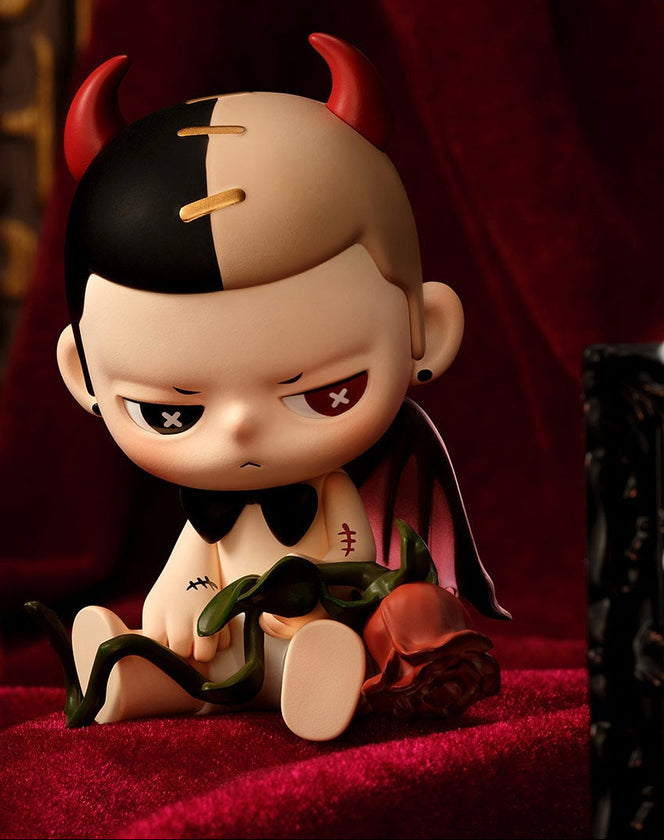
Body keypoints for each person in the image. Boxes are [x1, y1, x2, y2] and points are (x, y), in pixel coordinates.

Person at [42, 32, 507, 741]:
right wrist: (185, 593)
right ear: (83, 375)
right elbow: (190, 564)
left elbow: (349, 556)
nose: (239, 426)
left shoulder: (334, 492)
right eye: (169, 412)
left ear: (427, 331)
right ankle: (127, 676)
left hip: (303, 625)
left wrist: (309, 592)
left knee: (313, 645)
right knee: (184, 658)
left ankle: (317, 679)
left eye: (326, 392)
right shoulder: (209, 513)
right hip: (223, 637)